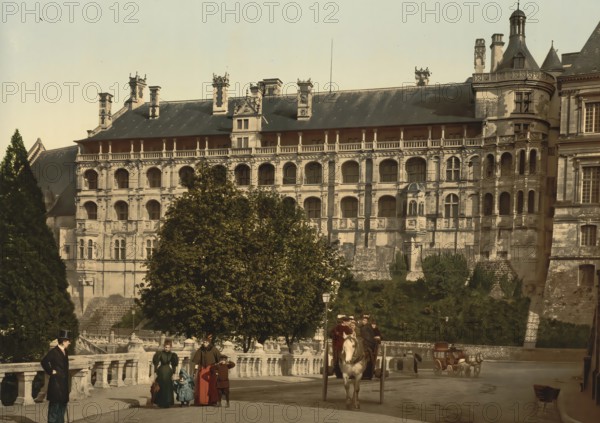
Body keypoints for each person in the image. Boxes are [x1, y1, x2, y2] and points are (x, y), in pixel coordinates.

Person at [40, 329, 71, 423]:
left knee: (62, 407)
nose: (69, 343)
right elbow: (44, 361)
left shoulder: (65, 351)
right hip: (56, 384)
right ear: (63, 341)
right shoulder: (54, 351)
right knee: (54, 407)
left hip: (64, 384)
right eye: (68, 341)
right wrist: (51, 371)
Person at [192, 334, 221, 406]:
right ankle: (202, 401)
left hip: (211, 369)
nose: (204, 343)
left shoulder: (214, 349)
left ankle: (212, 401)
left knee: (212, 385)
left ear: (209, 342)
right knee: (201, 385)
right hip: (202, 369)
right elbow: (197, 361)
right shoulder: (200, 350)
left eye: (206, 342)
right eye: (204, 342)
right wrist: (195, 371)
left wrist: (217, 370)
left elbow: (219, 360)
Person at [152, 339, 179, 408]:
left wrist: (173, 373)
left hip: (168, 371)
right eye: (166, 347)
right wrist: (155, 371)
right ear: (164, 347)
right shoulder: (160, 353)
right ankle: (160, 402)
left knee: (168, 386)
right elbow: (156, 363)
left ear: (170, 347)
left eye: (168, 347)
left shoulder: (173, 355)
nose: (167, 348)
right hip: (161, 371)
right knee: (161, 386)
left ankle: (167, 402)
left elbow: (174, 365)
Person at [359, 314, 377, 380]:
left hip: (367, 344)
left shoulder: (367, 328)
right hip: (363, 343)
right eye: (363, 320)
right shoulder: (361, 327)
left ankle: (366, 373)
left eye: (365, 320)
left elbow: (368, 337)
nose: (364, 321)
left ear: (367, 321)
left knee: (367, 357)